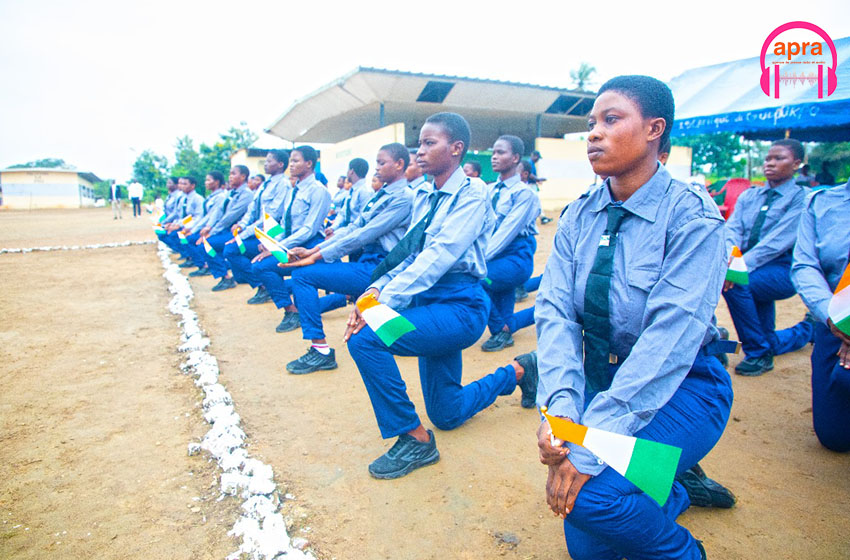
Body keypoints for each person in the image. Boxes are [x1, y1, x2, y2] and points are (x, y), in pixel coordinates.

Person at [535, 75, 733, 560]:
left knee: (589, 498)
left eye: (611, 119)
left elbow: (667, 343)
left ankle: (686, 552)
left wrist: (587, 448)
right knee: (589, 545)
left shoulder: (694, 219)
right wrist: (561, 411)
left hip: (684, 385)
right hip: (606, 380)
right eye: (590, 123)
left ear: (654, 129)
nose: (594, 134)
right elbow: (556, 313)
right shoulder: (579, 215)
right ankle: (668, 487)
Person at [344, 112, 538, 480]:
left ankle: (415, 440)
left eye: (430, 143)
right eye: (420, 143)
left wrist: (380, 303)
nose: (420, 151)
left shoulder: (473, 195)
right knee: (447, 414)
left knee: (366, 340)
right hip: (426, 303)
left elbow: (438, 257)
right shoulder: (426, 196)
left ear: (457, 149)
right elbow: (412, 253)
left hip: (459, 306)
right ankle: (519, 371)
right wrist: (373, 291)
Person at [281, 143, 415, 374]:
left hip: (383, 267)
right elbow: (353, 226)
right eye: (377, 163)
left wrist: (317, 255)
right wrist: (315, 250)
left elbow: (367, 233)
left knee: (303, 276)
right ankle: (320, 342)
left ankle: (321, 350)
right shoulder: (381, 194)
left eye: (382, 163)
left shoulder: (403, 197)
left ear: (399, 164)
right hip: (368, 262)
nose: (377, 169)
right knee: (303, 273)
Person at [722, 139, 813, 376]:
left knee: (735, 285)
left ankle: (758, 353)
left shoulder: (802, 198)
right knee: (768, 338)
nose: (770, 164)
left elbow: (777, 243)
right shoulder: (749, 196)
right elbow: (732, 230)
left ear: (796, 164)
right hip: (747, 265)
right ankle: (806, 330)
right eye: (767, 159)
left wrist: (738, 268)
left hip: (783, 269)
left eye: (778, 158)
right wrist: (733, 259)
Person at [791, 178, 850, 451]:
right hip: (834, 320)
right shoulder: (821, 202)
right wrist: (835, 319)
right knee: (834, 437)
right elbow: (805, 265)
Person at [251, 145, 331, 332]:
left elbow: (309, 229)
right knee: (259, 266)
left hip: (308, 245)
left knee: (294, 275)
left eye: (296, 161)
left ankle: (298, 314)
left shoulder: (318, 191)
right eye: (291, 161)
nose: (291, 165)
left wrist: (278, 247)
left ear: (309, 164)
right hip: (290, 242)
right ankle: (291, 310)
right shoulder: (293, 190)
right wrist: (271, 243)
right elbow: (285, 225)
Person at [479, 135, 540, 352]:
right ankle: (505, 329)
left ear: (515, 158)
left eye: (501, 152)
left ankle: (500, 329)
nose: (494, 157)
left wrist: (477, 260)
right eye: (493, 152)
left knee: (475, 279)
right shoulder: (487, 190)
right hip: (494, 255)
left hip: (515, 257)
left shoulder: (524, 194)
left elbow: (506, 232)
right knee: (501, 296)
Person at [220, 150, 291, 297]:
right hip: (257, 232)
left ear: (280, 164)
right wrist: (241, 226)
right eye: (265, 161)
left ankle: (264, 285)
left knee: (232, 249)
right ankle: (264, 285)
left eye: (269, 161)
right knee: (231, 249)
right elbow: (251, 211)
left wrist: (244, 235)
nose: (265, 164)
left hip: (272, 233)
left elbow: (272, 215)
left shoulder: (283, 185)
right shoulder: (265, 185)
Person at [189, 166, 254, 280]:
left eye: (233, 174)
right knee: (206, 245)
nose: (230, 177)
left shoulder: (246, 194)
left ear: (243, 176)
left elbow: (230, 216)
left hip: (237, 232)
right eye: (230, 174)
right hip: (224, 230)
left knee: (206, 245)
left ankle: (226, 276)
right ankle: (224, 271)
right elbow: (218, 212)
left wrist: (212, 233)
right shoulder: (230, 193)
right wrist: (209, 227)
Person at [180, 172, 227, 270]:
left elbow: (214, 216)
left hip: (216, 229)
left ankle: (209, 266)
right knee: (189, 237)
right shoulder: (211, 196)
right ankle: (204, 264)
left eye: (208, 180)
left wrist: (206, 230)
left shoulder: (220, 197)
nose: (206, 183)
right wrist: (193, 230)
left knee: (198, 242)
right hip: (206, 227)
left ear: (217, 182)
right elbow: (206, 216)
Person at [327, 158, 370, 236]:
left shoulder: (364, 192)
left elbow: (362, 220)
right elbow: (343, 213)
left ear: (351, 171)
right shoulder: (352, 191)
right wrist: (332, 228)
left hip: (354, 234)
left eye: (348, 170)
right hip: (345, 230)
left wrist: (337, 234)